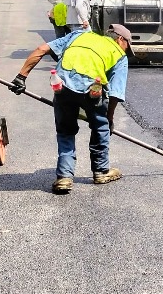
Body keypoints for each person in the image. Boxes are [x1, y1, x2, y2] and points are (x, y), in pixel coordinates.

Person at [11, 23, 133, 195]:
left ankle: (64, 177)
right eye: (128, 45)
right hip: (93, 90)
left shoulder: (78, 35)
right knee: (100, 128)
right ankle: (101, 171)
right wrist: (109, 119)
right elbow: (115, 94)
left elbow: (41, 49)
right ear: (121, 39)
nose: (127, 50)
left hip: (62, 86)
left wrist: (21, 77)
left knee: (66, 130)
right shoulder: (119, 55)